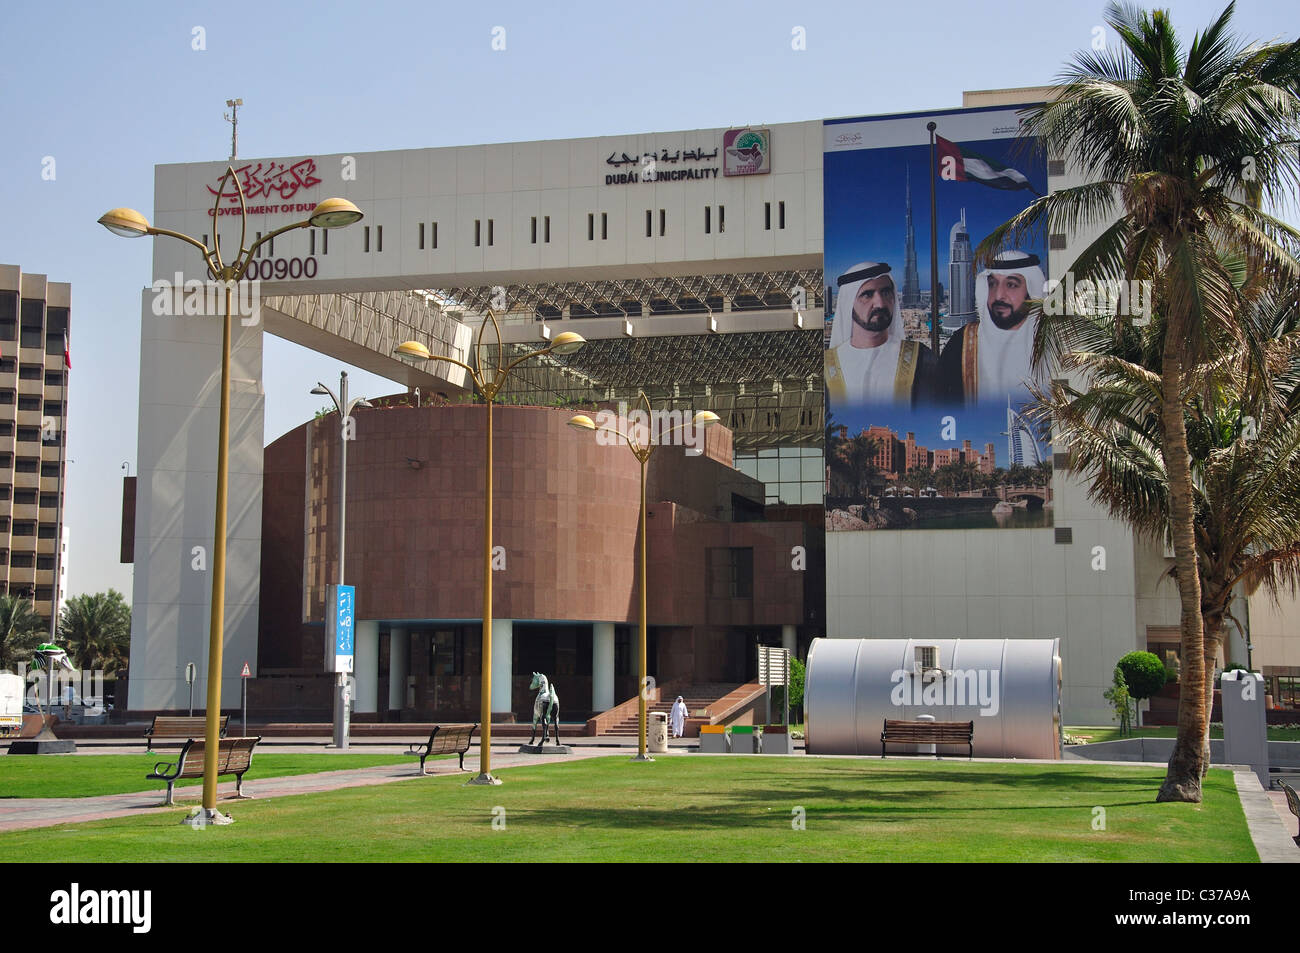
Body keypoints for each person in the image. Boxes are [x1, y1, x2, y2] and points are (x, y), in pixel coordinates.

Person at [937, 250, 1046, 405]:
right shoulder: (963, 342)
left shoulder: (1052, 344)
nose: (998, 295)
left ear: (1032, 291)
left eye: (1011, 285)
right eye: (992, 284)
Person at [825, 262, 936, 407]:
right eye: (867, 295)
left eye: (885, 292)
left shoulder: (921, 358)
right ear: (848, 304)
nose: (880, 304)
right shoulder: (827, 366)